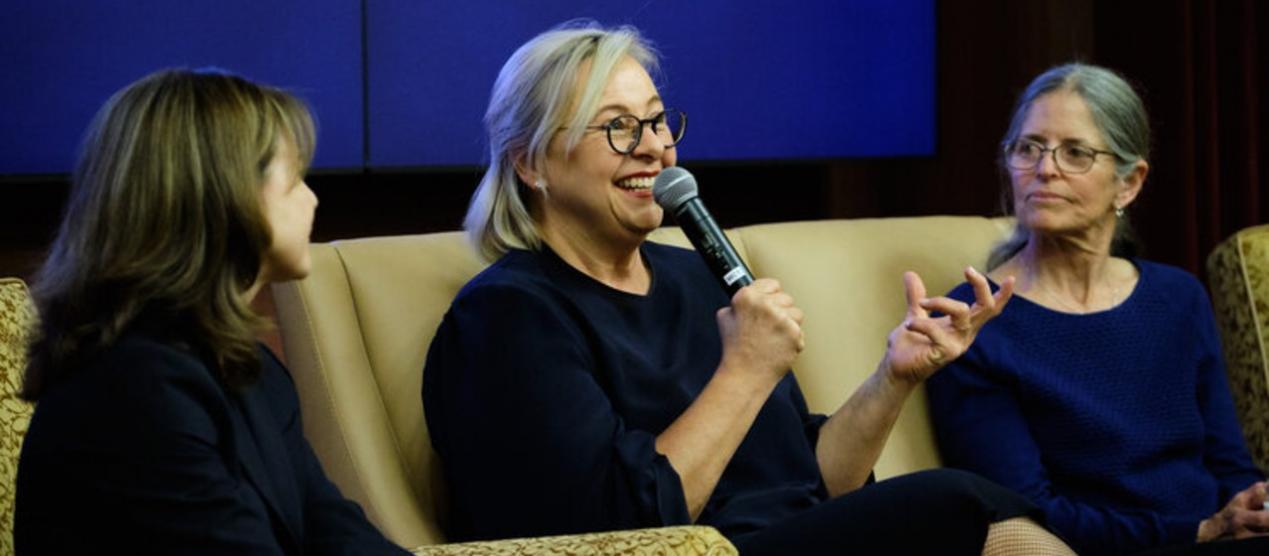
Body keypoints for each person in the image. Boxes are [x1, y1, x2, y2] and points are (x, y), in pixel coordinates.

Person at [422, 21, 1070, 555]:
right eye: (618, 127)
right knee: (953, 502)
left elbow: (810, 485)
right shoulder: (510, 316)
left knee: (953, 506)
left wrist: (892, 377)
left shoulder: (693, 273)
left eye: (657, 122)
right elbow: (619, 528)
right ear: (530, 162)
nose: (654, 150)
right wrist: (746, 369)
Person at [14, 68, 409, 555]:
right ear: (226, 197)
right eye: (294, 181)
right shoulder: (134, 389)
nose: (313, 198)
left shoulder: (252, 371)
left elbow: (337, 533)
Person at [926, 63, 1269, 556]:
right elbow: (1025, 513)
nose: (1045, 169)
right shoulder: (971, 320)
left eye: (1075, 153)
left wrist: (1249, 508)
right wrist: (1197, 532)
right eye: (1029, 148)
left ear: (1129, 183)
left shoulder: (1179, 297)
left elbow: (1230, 464)